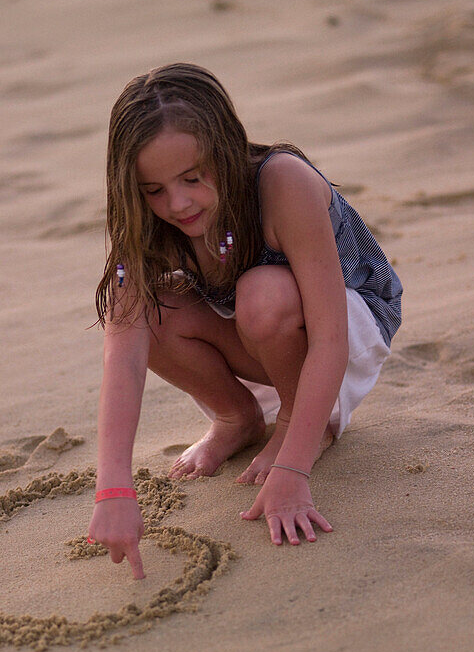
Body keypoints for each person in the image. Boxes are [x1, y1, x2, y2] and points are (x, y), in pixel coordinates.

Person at [87, 63, 402, 579]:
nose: (178, 203)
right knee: (150, 308)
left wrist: (294, 468)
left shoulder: (282, 183)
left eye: (193, 178)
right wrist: (113, 489)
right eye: (154, 189)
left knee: (263, 293)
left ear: (226, 150)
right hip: (253, 325)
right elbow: (123, 354)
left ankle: (307, 423)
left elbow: (330, 339)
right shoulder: (145, 219)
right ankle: (238, 418)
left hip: (349, 321)